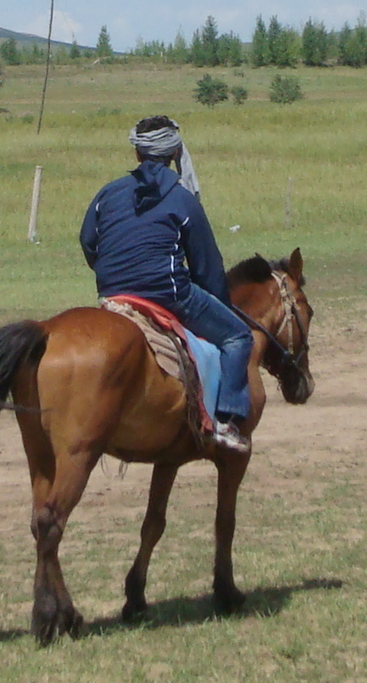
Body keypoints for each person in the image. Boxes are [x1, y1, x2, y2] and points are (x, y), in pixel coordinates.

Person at [78, 114, 253, 455]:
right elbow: (207, 265)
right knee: (237, 336)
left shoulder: (107, 194)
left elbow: (88, 241)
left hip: (112, 294)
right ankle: (226, 422)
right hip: (168, 294)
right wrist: (220, 304)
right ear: (174, 154)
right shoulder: (183, 198)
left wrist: (111, 276)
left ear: (136, 154)